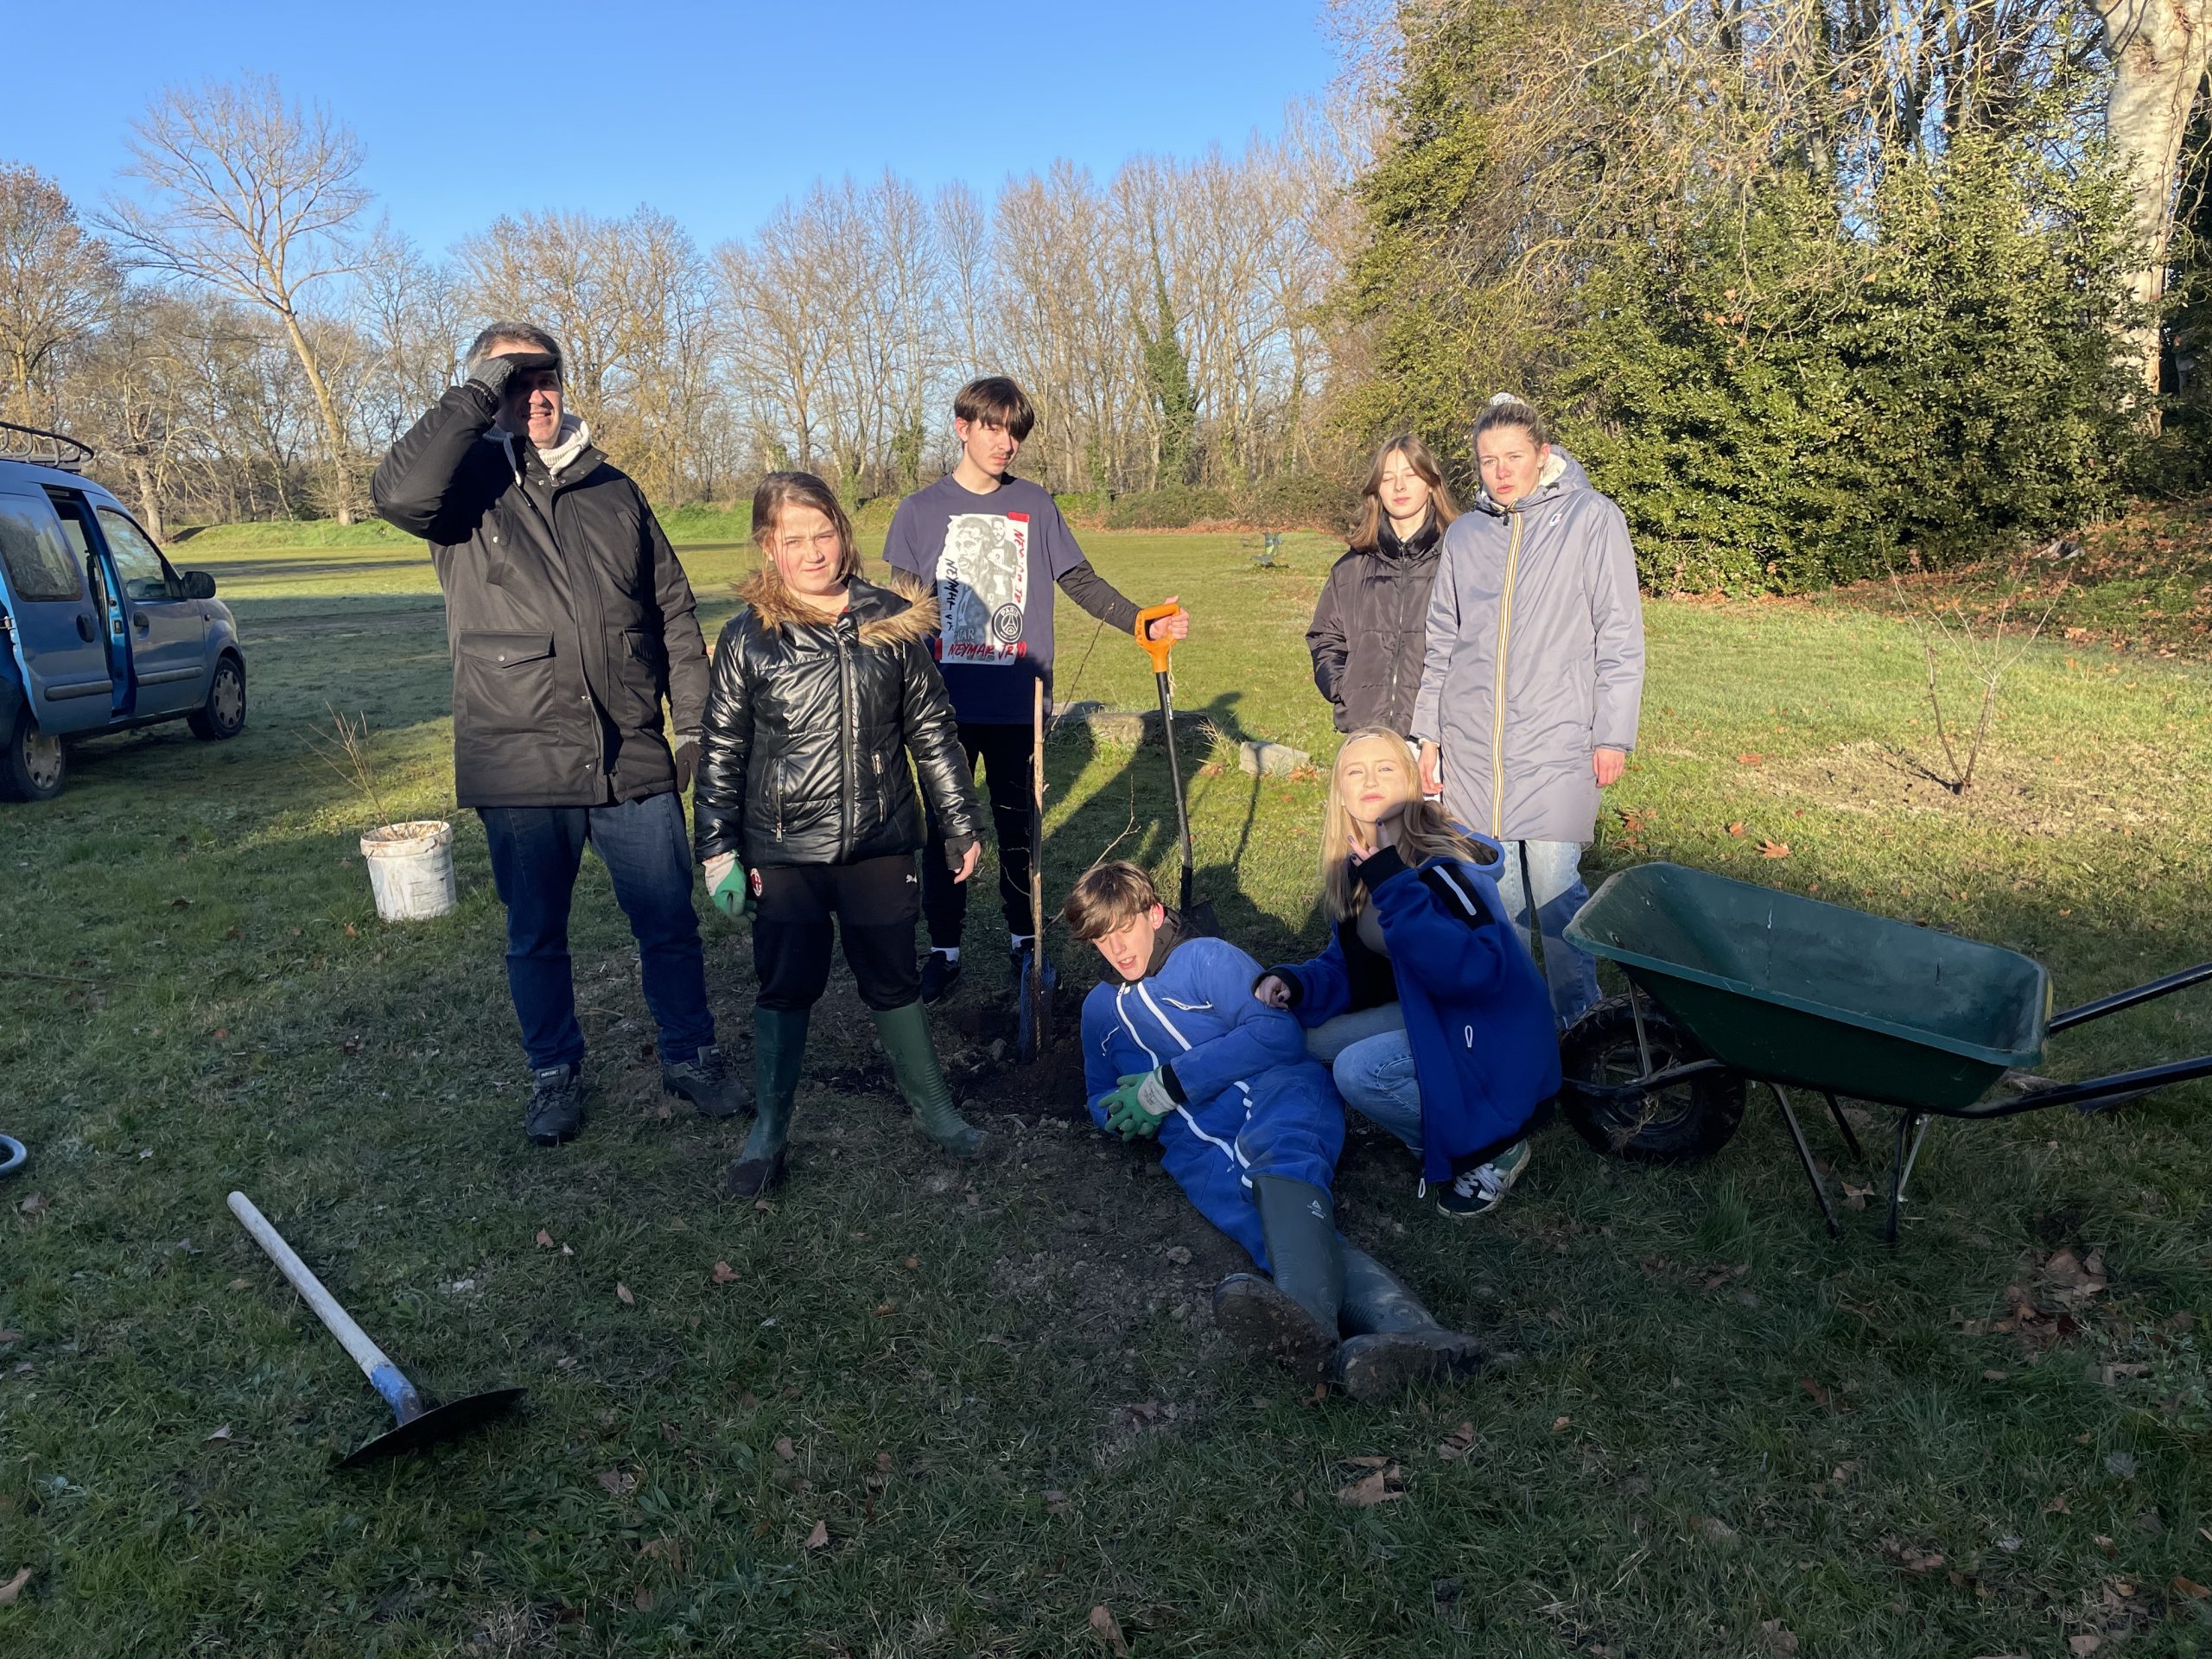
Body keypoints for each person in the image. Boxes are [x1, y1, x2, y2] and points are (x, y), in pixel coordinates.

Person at [371, 322, 744, 1146]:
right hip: (520, 752)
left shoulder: (614, 488)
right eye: (514, 378)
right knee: (536, 932)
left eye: (545, 377)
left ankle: (690, 1055)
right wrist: (481, 395)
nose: (534, 393)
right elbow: (395, 494)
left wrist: (694, 728)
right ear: (485, 387)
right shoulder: (463, 486)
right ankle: (554, 1074)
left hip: (630, 749)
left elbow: (673, 613)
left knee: (669, 919)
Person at [1065, 861, 1482, 1402]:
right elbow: (1098, 1093)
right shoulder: (1098, 1011)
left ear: (1156, 914)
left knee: (1279, 1163)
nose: (1118, 949)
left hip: (1278, 1092)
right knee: (1272, 1231)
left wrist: (1167, 1085)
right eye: (1102, 939)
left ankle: (1309, 1324)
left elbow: (1277, 1033)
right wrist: (1117, 1115)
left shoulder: (1205, 958)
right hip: (1198, 1150)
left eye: (1125, 929)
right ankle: (1417, 1337)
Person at [692, 472, 989, 1197]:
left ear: (843, 533)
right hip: (783, 853)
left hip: (880, 845)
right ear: (769, 546)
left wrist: (958, 823)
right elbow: (722, 749)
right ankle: (770, 1128)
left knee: (893, 979)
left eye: (823, 533)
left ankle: (936, 1111)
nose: (813, 552)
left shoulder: (893, 622)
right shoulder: (747, 638)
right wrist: (717, 851)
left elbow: (932, 732)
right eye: (793, 539)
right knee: (786, 984)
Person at [884, 376, 1191, 1004]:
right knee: (946, 830)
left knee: (1019, 832)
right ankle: (945, 950)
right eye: (993, 428)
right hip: (941, 709)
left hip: (1018, 706)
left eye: (1015, 432)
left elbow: (1080, 580)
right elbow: (902, 612)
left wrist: (1140, 620)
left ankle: (1025, 943)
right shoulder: (919, 511)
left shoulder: (1035, 504)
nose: (1006, 443)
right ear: (963, 427)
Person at [1255, 731, 1560, 1219]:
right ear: (1339, 792)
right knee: (1310, 1040)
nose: (1370, 780)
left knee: (1359, 1070)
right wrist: (1296, 983)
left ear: (1414, 782)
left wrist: (1395, 886)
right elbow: (1349, 964)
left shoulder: (1448, 865)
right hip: (1430, 1014)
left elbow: (1474, 974)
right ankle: (1437, 1129)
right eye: (1355, 771)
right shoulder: (1358, 867)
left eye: (1386, 768)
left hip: (1490, 1034)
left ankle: (1492, 1146)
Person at [1412, 394, 1646, 1027]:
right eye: (1488, 461)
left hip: (1558, 739)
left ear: (1542, 455)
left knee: (1554, 891)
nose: (1501, 471)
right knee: (1497, 901)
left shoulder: (1592, 519)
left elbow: (1620, 634)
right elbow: (1442, 639)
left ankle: (1580, 1026)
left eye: (1513, 456)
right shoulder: (1466, 534)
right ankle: (1516, 1027)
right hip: (1472, 748)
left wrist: (1613, 734)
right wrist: (1428, 734)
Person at [1306, 435, 1460, 738]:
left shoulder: (1458, 561)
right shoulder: (1350, 568)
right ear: (1376, 488)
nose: (1399, 487)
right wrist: (1343, 687)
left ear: (1431, 483)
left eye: (1410, 475)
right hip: (1366, 735)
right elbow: (1325, 636)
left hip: (1437, 738)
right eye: (1388, 478)